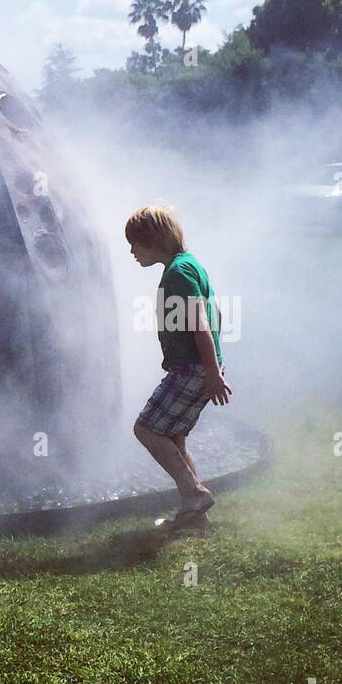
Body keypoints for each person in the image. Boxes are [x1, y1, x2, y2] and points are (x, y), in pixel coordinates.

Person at [125, 204, 230, 522]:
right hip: (199, 368)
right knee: (175, 439)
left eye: (135, 243)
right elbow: (219, 314)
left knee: (145, 429)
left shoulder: (178, 273)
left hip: (192, 369)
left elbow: (200, 323)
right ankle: (195, 515)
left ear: (154, 240)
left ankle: (195, 493)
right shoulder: (189, 265)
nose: (131, 251)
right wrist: (215, 367)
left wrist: (211, 372)